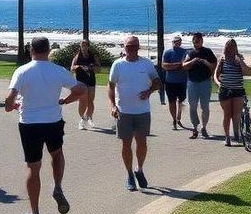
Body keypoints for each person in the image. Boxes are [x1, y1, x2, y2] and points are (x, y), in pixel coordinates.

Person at [4, 36, 87, 214]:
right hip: (53, 121)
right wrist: (66, 100)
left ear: (31, 50)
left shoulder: (22, 71)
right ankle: (57, 186)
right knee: (57, 154)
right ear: (48, 50)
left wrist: (10, 106)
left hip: (29, 123)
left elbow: (9, 99)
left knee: (33, 167)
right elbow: (81, 89)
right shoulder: (58, 71)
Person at [108, 35, 161, 191]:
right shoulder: (117, 65)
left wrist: (149, 91)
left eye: (134, 46)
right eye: (128, 46)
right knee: (126, 143)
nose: (131, 49)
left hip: (142, 111)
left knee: (142, 142)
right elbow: (110, 86)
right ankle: (130, 174)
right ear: (123, 47)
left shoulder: (146, 64)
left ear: (139, 47)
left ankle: (139, 169)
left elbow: (157, 82)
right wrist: (112, 105)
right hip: (123, 111)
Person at [214, 38, 251, 146]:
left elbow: (247, 71)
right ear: (226, 47)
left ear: (236, 48)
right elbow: (215, 74)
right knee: (227, 114)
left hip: (238, 90)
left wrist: (240, 62)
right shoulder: (222, 59)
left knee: (236, 114)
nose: (231, 48)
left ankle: (237, 135)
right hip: (225, 90)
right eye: (229, 46)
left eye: (233, 46)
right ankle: (227, 137)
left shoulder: (239, 58)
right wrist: (218, 83)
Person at [182, 32, 216, 139]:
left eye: (198, 41)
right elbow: (184, 65)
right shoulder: (190, 53)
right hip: (192, 82)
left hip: (205, 82)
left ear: (202, 41)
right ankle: (195, 128)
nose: (196, 43)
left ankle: (204, 127)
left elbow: (214, 65)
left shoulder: (208, 52)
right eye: (194, 41)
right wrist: (192, 61)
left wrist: (205, 62)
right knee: (192, 106)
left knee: (205, 107)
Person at [70, 40, 100, 130]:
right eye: (82, 46)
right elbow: (71, 69)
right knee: (83, 101)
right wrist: (77, 67)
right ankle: (82, 120)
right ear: (80, 46)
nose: (84, 47)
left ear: (88, 46)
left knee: (91, 100)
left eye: (86, 45)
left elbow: (99, 68)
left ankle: (89, 118)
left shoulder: (93, 56)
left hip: (91, 80)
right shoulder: (77, 57)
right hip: (80, 80)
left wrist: (92, 67)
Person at [161, 36, 188, 130]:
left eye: (179, 41)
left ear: (181, 42)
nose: (177, 43)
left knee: (181, 100)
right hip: (170, 81)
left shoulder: (185, 52)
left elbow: (186, 65)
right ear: (172, 42)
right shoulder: (168, 52)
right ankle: (174, 120)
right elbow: (164, 65)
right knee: (171, 101)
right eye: (175, 41)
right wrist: (178, 65)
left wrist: (177, 66)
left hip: (182, 81)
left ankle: (178, 116)